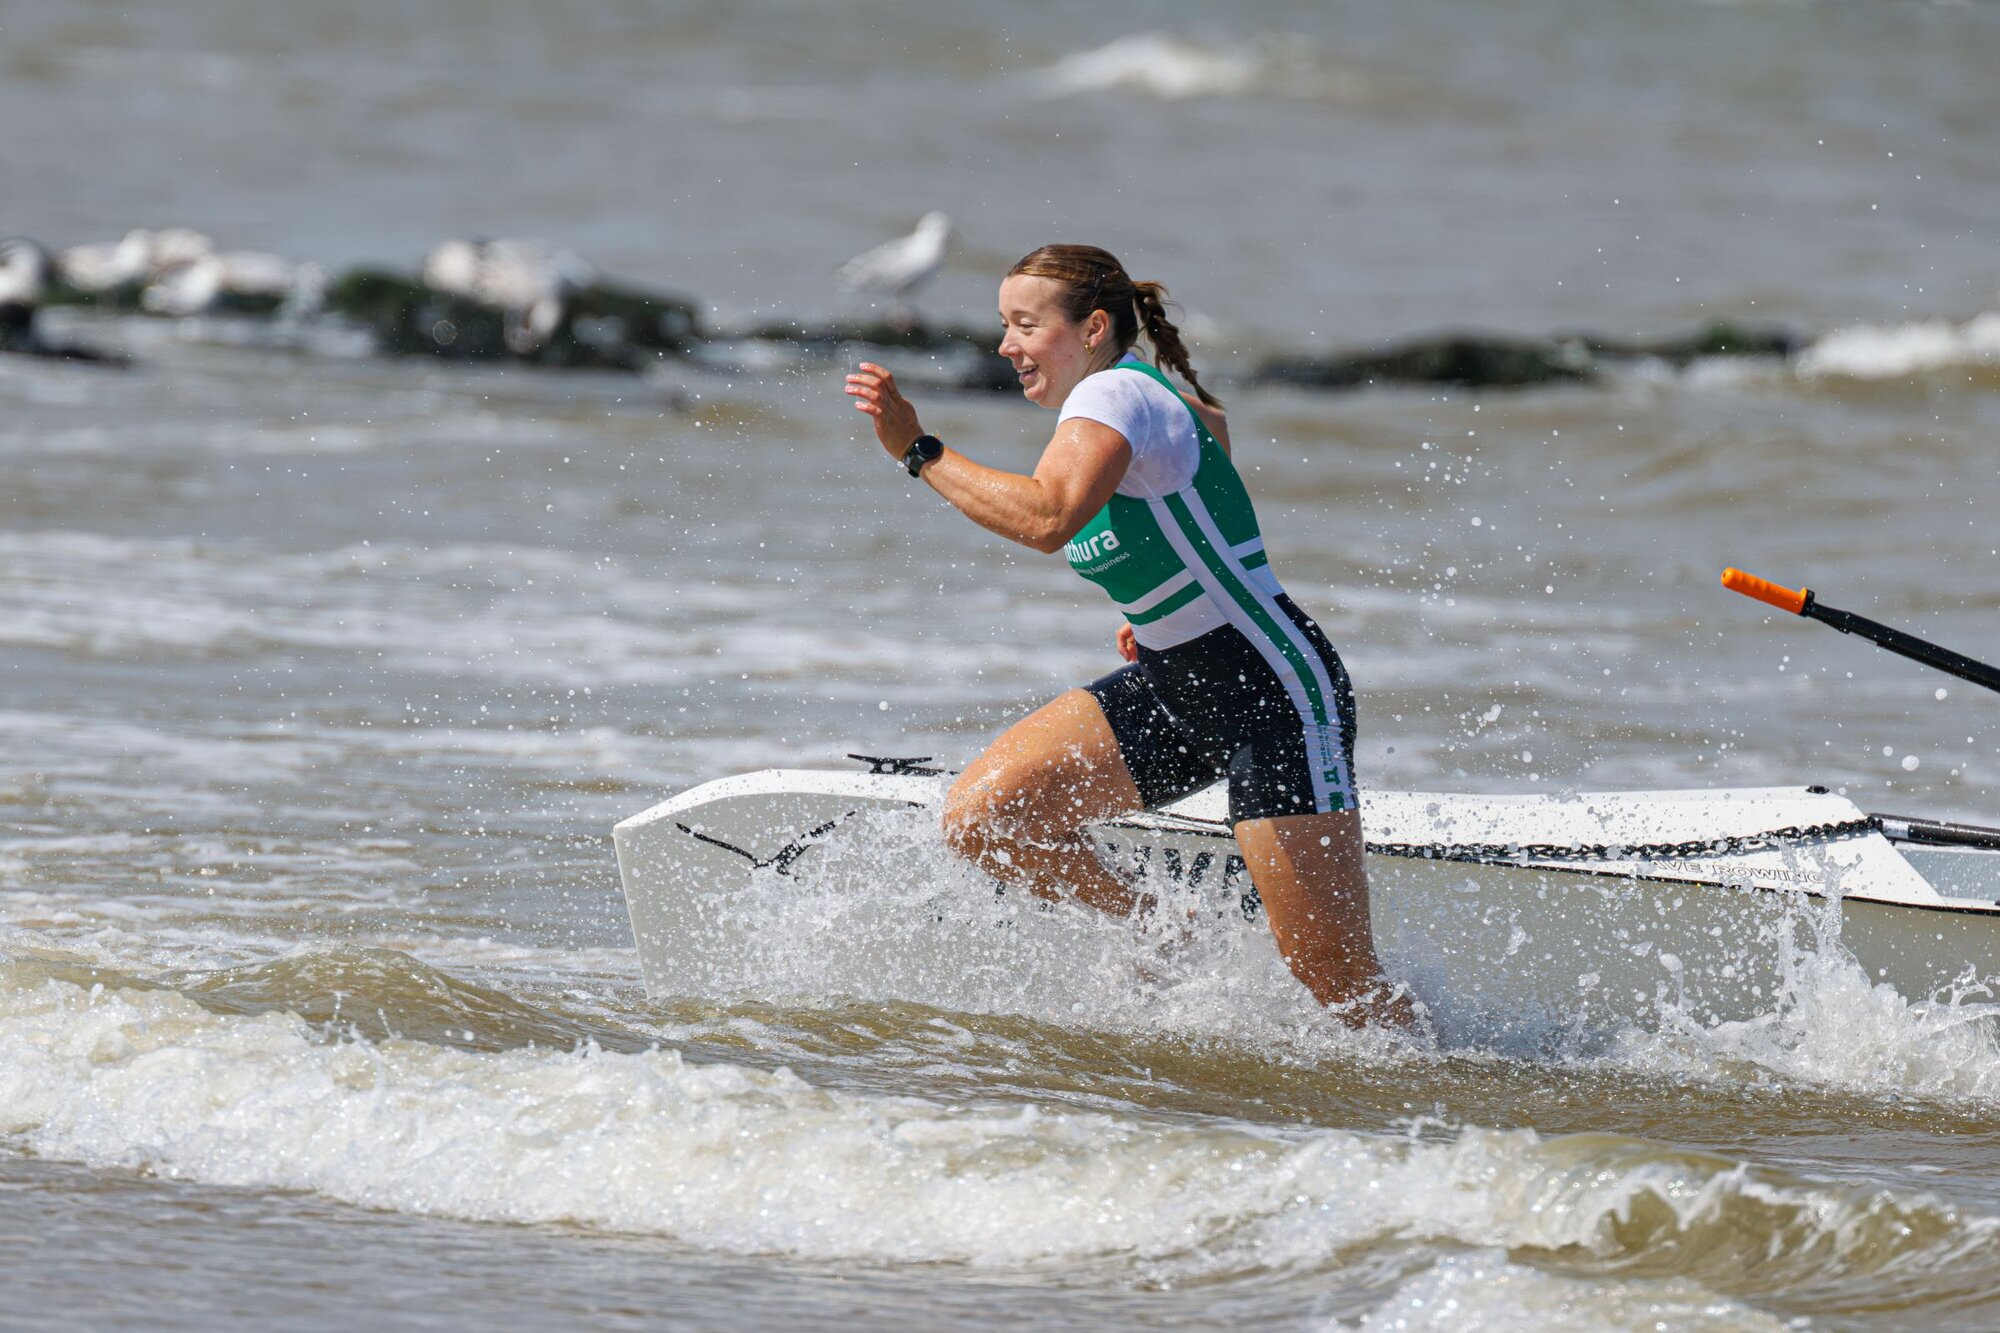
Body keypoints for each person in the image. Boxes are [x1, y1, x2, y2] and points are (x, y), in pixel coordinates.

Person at [845, 244, 1410, 1029]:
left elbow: (1049, 516)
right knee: (982, 819)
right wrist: (1170, 596)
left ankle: (1451, 1090)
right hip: (1176, 682)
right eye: (1004, 325)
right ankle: (1168, 927)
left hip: (1271, 692)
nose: (1006, 345)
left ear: (1093, 328)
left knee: (1340, 983)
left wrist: (920, 449)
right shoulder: (1135, 394)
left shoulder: (1112, 392)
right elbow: (1211, 434)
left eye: (1025, 325)